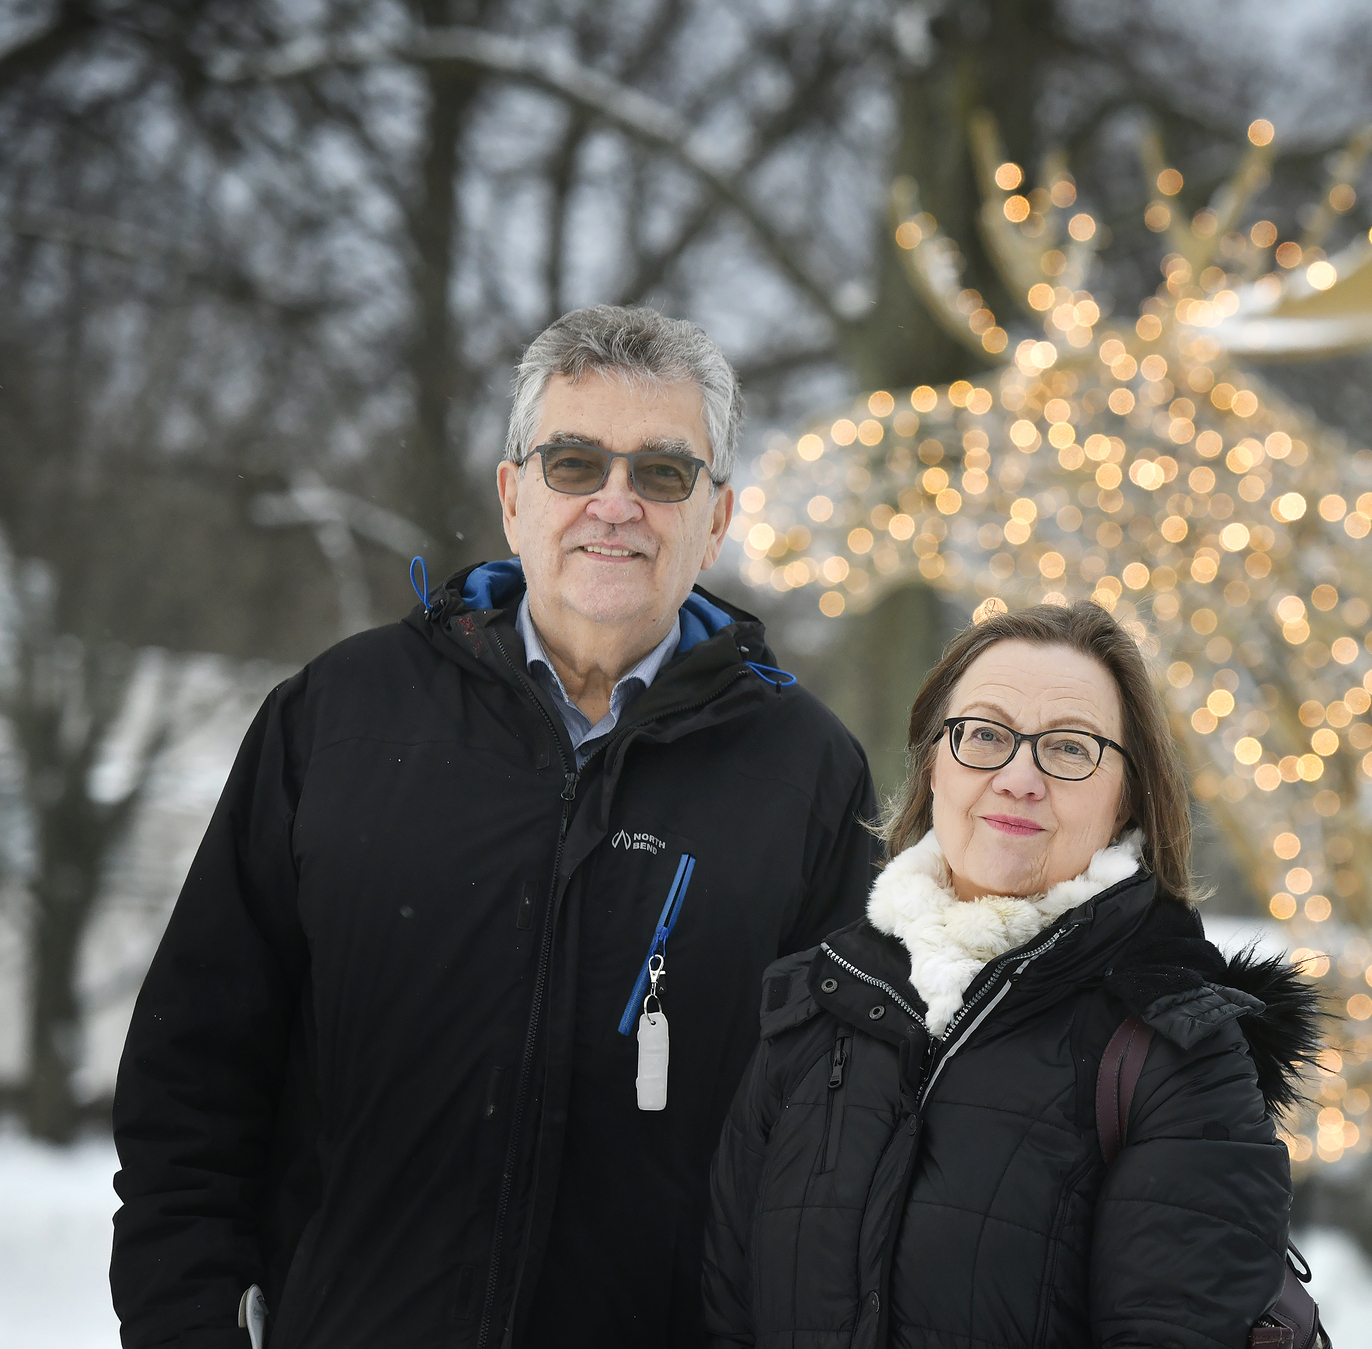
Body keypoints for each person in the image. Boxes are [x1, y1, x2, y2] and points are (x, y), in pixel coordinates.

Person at [110, 305, 878, 1349]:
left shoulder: (807, 773)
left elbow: (830, 1145)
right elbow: (193, 1069)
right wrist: (189, 1324)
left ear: (717, 517)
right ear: (514, 497)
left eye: (662, 472)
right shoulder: (340, 715)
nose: (616, 503)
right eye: (575, 462)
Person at [705, 602, 1323, 1347]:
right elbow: (729, 1318)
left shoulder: (1172, 1054)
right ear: (934, 763)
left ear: (1127, 797)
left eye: (1069, 748)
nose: (1018, 777)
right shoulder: (818, 998)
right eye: (986, 735)